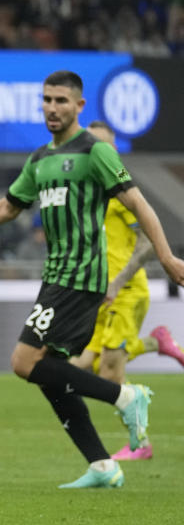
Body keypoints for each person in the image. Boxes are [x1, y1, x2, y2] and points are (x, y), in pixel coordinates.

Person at [0, 71, 184, 489]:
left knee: (23, 362)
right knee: (49, 369)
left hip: (81, 276)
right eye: (46, 100)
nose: (52, 107)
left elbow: (140, 205)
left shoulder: (96, 153)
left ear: (79, 106)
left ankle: (128, 397)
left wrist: (165, 256)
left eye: (60, 100)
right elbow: (7, 207)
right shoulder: (39, 160)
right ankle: (101, 464)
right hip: (55, 276)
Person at [69, 120, 184, 461]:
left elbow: (148, 243)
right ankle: (156, 342)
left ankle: (141, 443)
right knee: (77, 369)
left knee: (109, 372)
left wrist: (118, 281)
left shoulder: (121, 192)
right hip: (98, 295)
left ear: (113, 151)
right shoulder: (88, 192)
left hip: (126, 291)